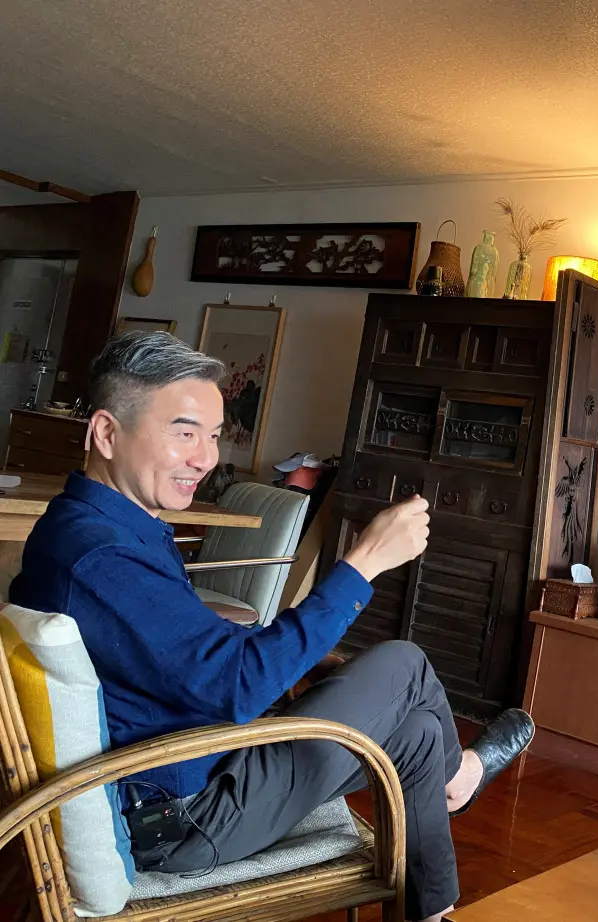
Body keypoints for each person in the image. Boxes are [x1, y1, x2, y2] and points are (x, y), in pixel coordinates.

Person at [8, 333, 535, 922]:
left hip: (187, 766)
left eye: (210, 436)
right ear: (106, 433)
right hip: (184, 811)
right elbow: (237, 687)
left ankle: (431, 911)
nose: (205, 458)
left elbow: (188, 659)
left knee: (413, 734)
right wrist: (363, 564)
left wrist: (298, 658)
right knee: (404, 664)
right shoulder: (102, 556)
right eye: (184, 432)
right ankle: (459, 778)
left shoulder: (87, 526)